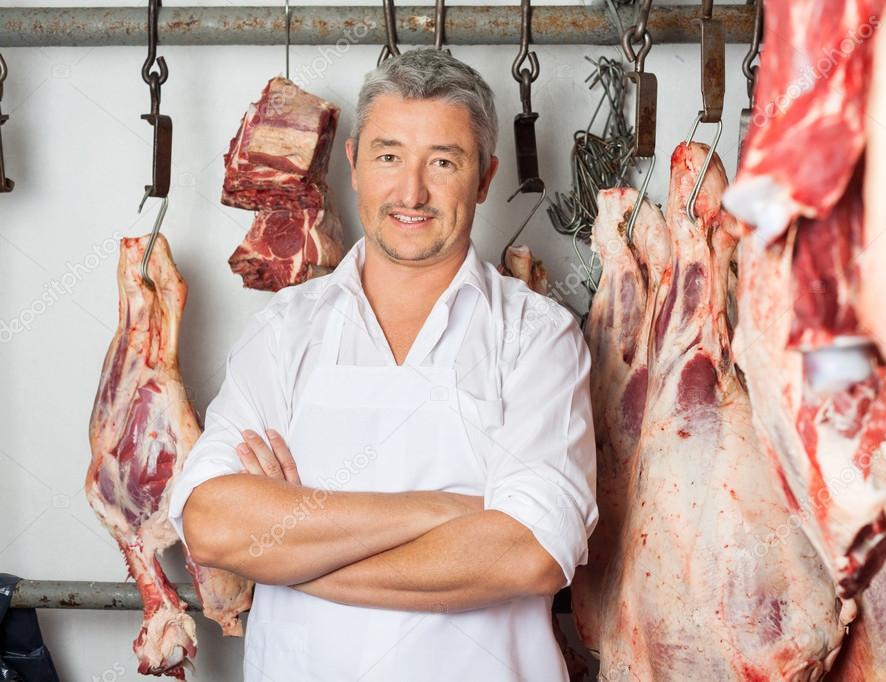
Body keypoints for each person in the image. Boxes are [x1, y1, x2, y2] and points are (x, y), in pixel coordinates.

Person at [168, 48, 598, 681]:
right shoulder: (285, 331)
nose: (411, 192)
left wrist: (293, 551)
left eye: (443, 162)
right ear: (354, 165)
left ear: (484, 178)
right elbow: (213, 526)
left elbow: (528, 553)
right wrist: (446, 510)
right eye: (388, 156)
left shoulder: (537, 337)